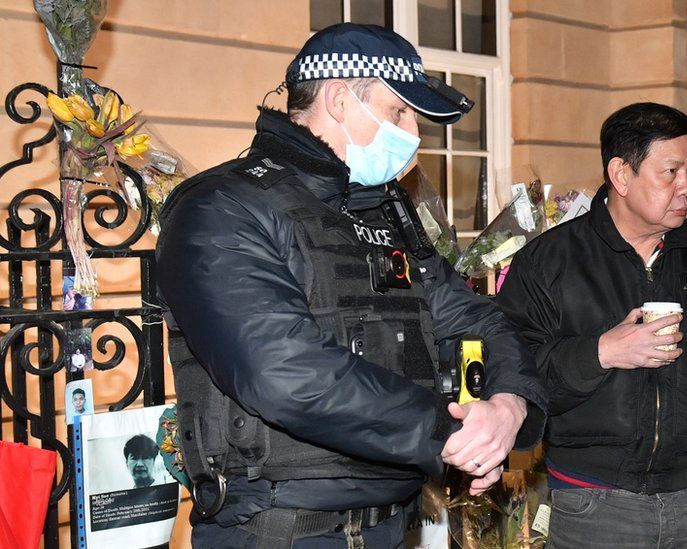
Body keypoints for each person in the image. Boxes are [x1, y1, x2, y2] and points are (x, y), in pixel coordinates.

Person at [155, 23, 546, 548]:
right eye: (399, 112)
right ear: (339, 99)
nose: (413, 132)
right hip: (281, 530)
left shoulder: (382, 211)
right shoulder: (222, 207)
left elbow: (473, 317)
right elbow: (284, 372)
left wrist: (509, 406)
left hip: (389, 523)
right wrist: (449, 434)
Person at [496, 102, 687, 548]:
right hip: (593, 507)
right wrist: (601, 353)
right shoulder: (551, 261)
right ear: (621, 175)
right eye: (670, 172)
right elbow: (514, 378)